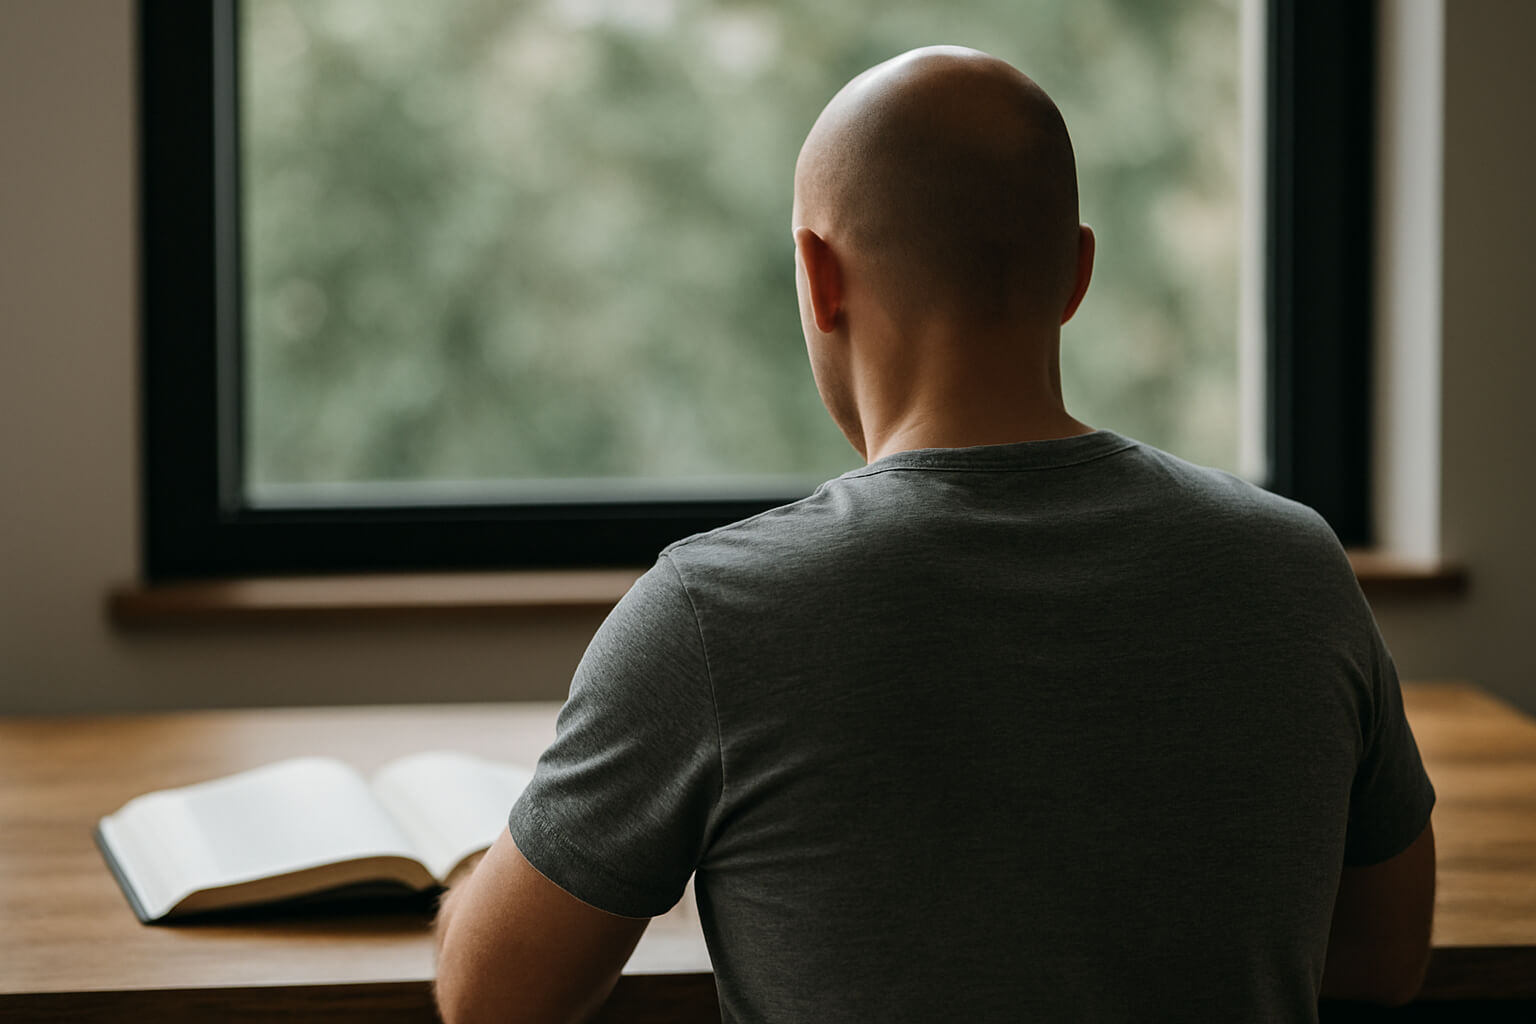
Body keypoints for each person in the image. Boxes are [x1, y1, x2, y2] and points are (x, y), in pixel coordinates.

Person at [434, 46, 1436, 1023]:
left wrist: (486, 873)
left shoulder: (715, 617)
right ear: (1076, 273)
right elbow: (1384, 959)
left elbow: (492, 996)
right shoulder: (1298, 569)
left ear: (818, 277)